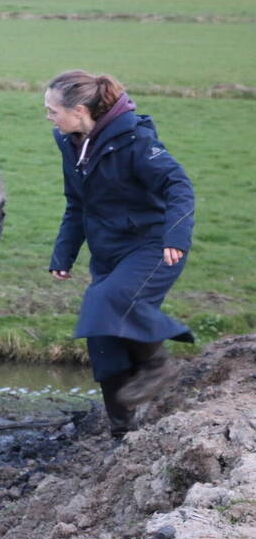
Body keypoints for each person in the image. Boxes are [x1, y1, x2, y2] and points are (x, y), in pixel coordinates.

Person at [44, 70, 195, 439]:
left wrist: (175, 236)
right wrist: (64, 254)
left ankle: (158, 366)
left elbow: (179, 185)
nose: (48, 117)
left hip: (153, 246)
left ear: (79, 110)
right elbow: (76, 203)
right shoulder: (71, 142)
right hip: (108, 252)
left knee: (106, 299)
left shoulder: (136, 141)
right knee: (102, 336)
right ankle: (121, 432)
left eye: (52, 110)